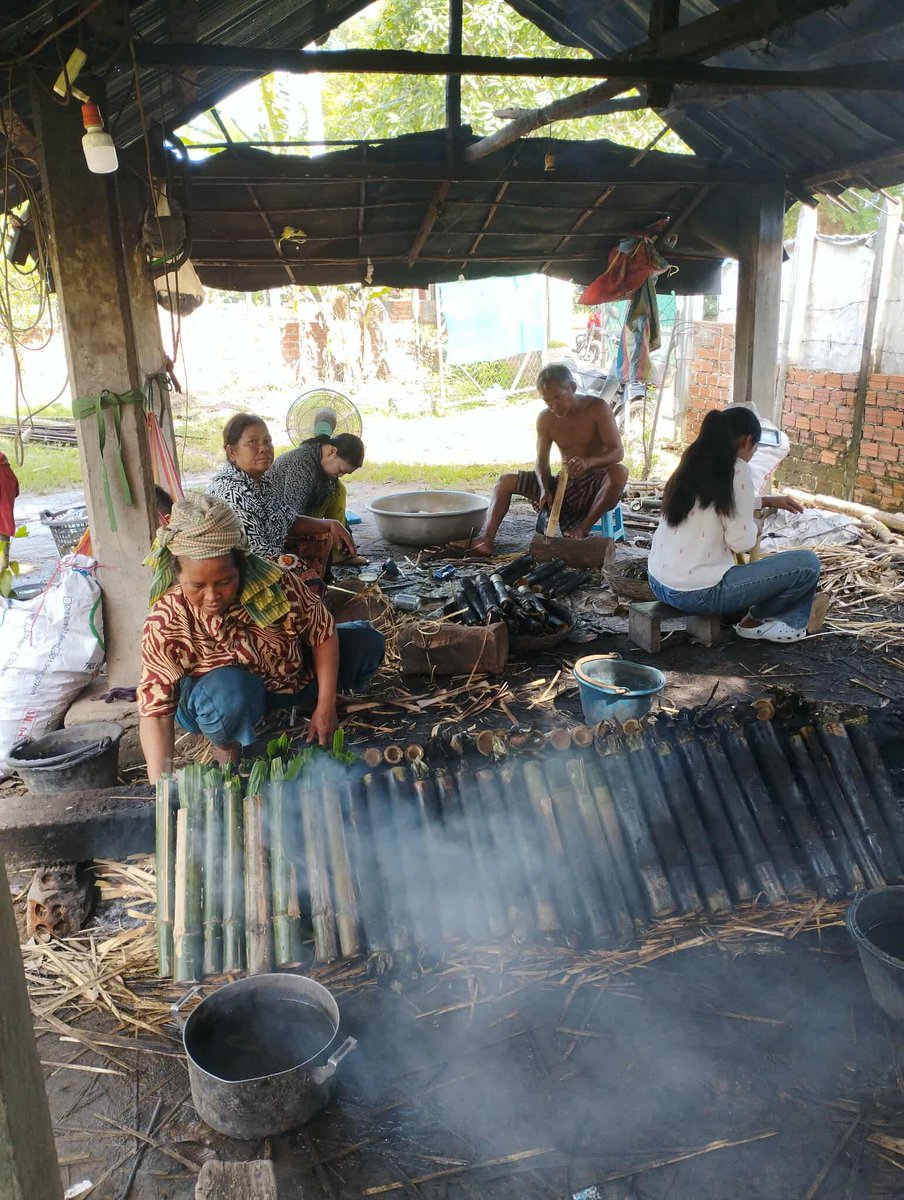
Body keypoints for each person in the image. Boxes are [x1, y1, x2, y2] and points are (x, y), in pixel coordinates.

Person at [137, 494, 385, 783]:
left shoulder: (277, 584)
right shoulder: (167, 618)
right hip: (220, 699)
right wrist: (159, 788)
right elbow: (155, 711)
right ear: (177, 573)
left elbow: (322, 634)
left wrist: (325, 705)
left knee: (366, 642)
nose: (212, 596)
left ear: (242, 565)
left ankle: (307, 701)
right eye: (197, 585)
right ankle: (225, 742)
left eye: (224, 582)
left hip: (283, 682)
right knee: (231, 695)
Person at [647, 407, 821, 644]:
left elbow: (714, 502)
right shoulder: (737, 469)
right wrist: (756, 526)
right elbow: (741, 542)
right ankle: (770, 623)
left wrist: (765, 501)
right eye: (755, 446)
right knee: (808, 564)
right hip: (700, 594)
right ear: (749, 440)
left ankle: (757, 618)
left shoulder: (693, 459)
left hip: (659, 583)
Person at [449, 364, 628, 556]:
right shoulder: (545, 419)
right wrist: (544, 488)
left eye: (558, 397)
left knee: (620, 472)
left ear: (573, 388)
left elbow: (617, 452)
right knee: (505, 481)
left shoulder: (597, 408)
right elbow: (541, 461)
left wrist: (588, 463)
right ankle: (486, 540)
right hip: (564, 486)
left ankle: (582, 529)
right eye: (547, 400)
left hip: (597, 486)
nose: (554, 405)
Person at [207, 414, 356, 575]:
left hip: (266, 555)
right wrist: (301, 572)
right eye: (252, 442)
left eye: (267, 441)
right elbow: (257, 558)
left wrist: (331, 524)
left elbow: (288, 519)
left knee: (322, 535)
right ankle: (312, 595)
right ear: (232, 453)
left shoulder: (260, 482)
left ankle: (316, 591)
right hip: (239, 572)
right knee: (303, 574)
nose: (263, 448)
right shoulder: (232, 492)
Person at [268, 430, 366, 565]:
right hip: (276, 522)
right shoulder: (301, 464)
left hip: (294, 513)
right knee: (323, 531)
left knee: (339, 489)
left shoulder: (320, 455)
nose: (341, 475)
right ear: (332, 451)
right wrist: (325, 527)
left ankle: (339, 553)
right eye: (341, 470)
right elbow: (293, 518)